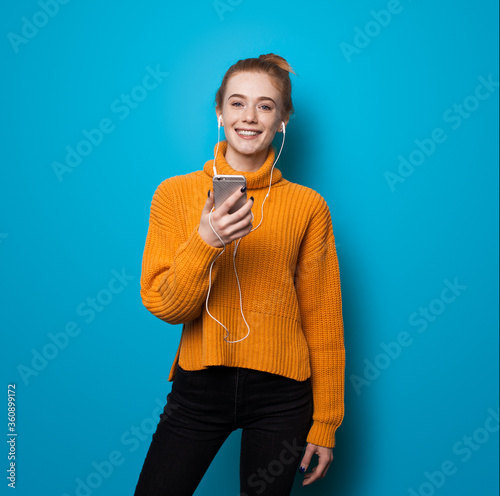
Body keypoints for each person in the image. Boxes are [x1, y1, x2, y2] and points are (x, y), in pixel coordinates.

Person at [134, 53, 345, 496]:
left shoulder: (308, 206)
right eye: (237, 103)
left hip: (282, 396)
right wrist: (206, 241)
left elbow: (323, 320)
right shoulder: (175, 195)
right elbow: (166, 306)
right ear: (219, 112)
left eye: (265, 106)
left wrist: (325, 422)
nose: (249, 117)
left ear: (283, 119)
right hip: (200, 387)